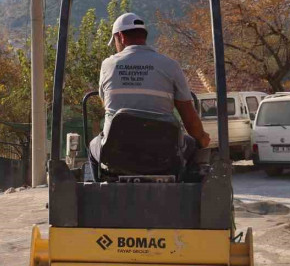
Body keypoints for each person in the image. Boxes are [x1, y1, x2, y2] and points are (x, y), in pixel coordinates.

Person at [89, 12, 210, 174]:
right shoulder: (170, 65)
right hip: (163, 155)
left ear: (121, 37)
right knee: (193, 145)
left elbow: (106, 104)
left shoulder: (108, 65)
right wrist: (201, 137)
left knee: (92, 146)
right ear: (143, 36)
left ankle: (101, 187)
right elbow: (188, 115)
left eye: (115, 41)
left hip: (117, 153)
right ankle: (185, 189)